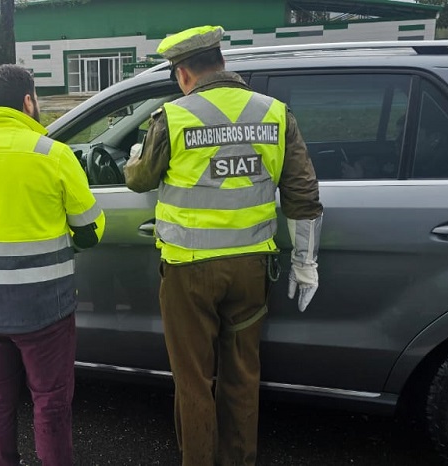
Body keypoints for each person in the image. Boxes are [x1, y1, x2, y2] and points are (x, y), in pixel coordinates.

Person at [124, 26, 324, 465]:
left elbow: (139, 180)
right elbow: (303, 196)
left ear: (182, 73)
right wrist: (305, 263)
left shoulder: (173, 117)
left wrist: (135, 156)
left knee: (194, 380)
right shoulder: (275, 113)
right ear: (221, 63)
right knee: (242, 376)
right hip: (251, 270)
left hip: (189, 274)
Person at [0, 64, 105, 466]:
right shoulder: (53, 154)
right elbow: (90, 231)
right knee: (49, 399)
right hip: (44, 309)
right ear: (28, 101)